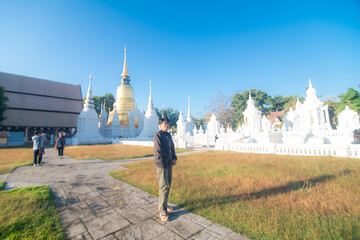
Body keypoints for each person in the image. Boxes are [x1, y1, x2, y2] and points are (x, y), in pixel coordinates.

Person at [153, 117, 177, 222]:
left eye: (168, 123)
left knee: (168, 185)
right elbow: (158, 152)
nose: (167, 125)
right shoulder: (158, 135)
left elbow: (172, 148)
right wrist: (163, 163)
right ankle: (162, 210)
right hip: (161, 164)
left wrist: (174, 158)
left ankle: (164, 205)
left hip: (169, 163)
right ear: (160, 125)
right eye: (165, 123)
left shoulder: (168, 135)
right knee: (163, 186)